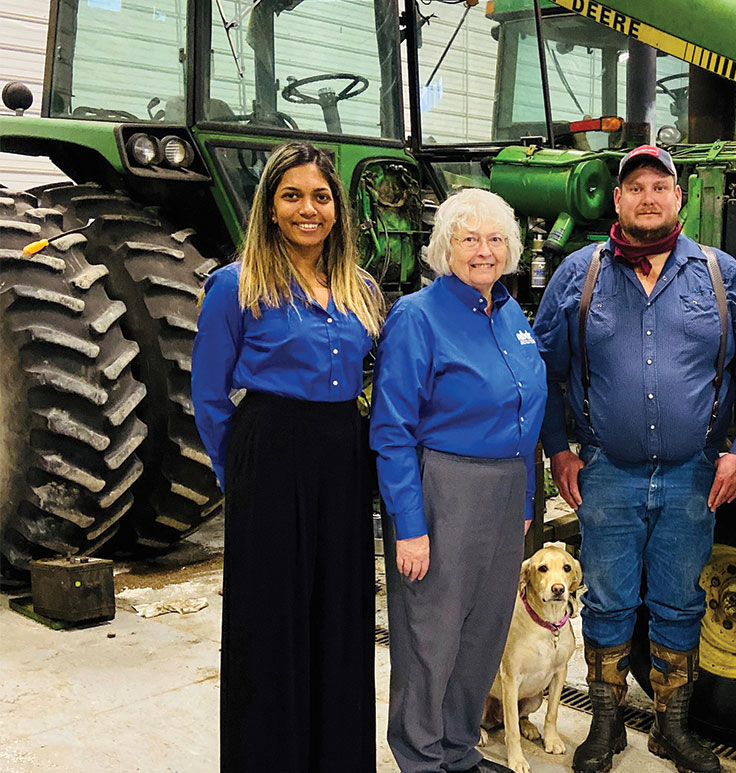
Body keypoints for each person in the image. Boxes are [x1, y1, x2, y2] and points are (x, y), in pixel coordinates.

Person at [534, 145, 736, 773]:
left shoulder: (723, 276)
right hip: (606, 471)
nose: (647, 196)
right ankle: (607, 724)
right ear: (617, 200)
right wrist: (559, 448)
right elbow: (545, 372)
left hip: (694, 472)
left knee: (679, 600)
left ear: (679, 198)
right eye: (634, 187)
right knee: (608, 599)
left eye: (658, 186)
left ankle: (672, 727)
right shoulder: (579, 273)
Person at [191, 141, 385, 772]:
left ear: (339, 209)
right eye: (293, 196)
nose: (309, 209)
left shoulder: (360, 288)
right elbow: (209, 392)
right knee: (269, 620)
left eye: (321, 197)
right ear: (270, 208)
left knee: (340, 612)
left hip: (341, 452)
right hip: (269, 450)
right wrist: (239, 472)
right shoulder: (236, 283)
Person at [370, 188, 547, 773]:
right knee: (431, 636)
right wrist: (410, 526)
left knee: (484, 631)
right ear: (445, 248)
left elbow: (529, 416)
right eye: (469, 239)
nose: (484, 251)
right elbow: (391, 429)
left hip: (505, 491)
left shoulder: (512, 314)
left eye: (496, 239)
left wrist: (524, 497)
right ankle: (420, 757)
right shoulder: (417, 317)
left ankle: (458, 748)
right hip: (444, 487)